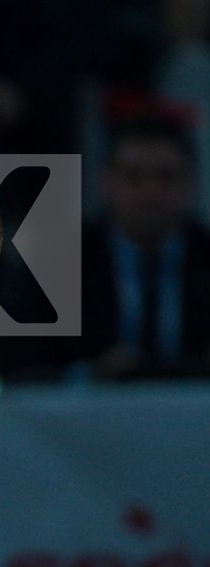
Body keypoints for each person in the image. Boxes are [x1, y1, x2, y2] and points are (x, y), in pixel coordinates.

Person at [74, 116, 210, 379]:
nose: (151, 192)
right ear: (106, 182)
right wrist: (90, 370)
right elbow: (27, 366)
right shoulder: (62, 265)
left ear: (190, 182)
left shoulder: (204, 255)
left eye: (167, 177)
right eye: (133, 177)